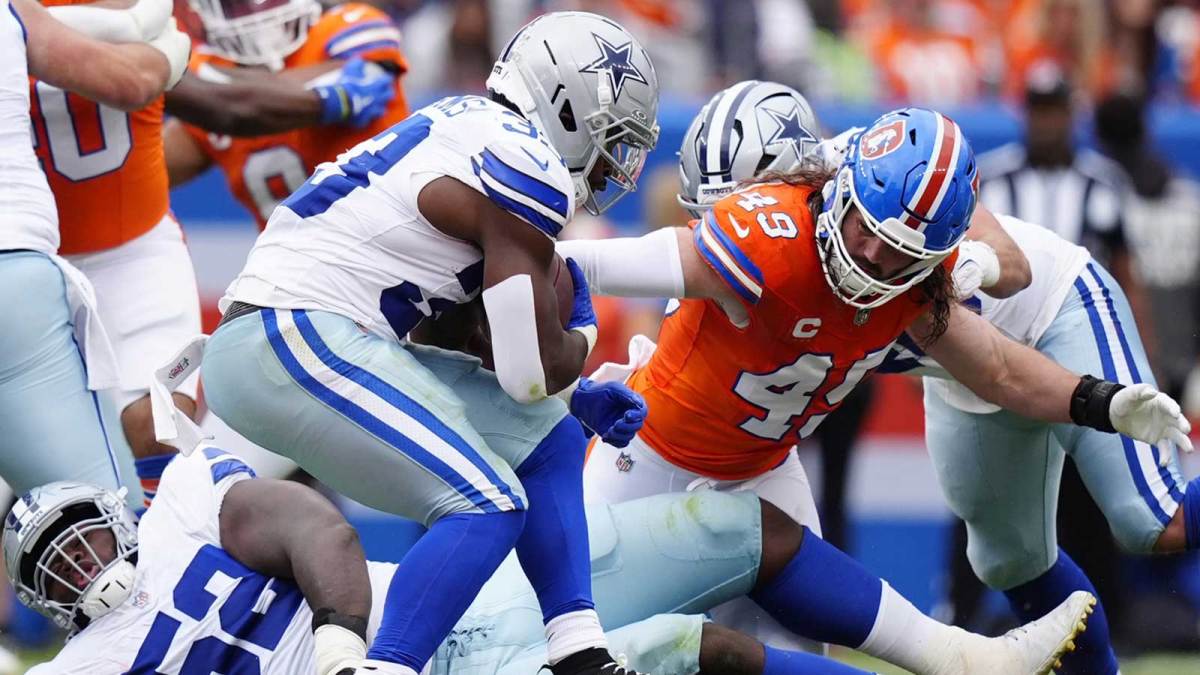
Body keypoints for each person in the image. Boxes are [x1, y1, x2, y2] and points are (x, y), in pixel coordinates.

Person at [560, 103, 1192, 669]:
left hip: (773, 458)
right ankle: (964, 659)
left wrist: (1098, 400)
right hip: (659, 458)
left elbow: (999, 364)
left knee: (1145, 523)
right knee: (593, 638)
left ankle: (966, 659)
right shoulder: (772, 234)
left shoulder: (915, 267)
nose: (869, 257)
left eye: (896, 251)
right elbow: (596, 264)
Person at [199, 11, 657, 675]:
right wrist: (583, 325)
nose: (616, 160)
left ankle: (577, 648)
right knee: (487, 500)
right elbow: (530, 369)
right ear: (563, 103)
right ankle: (389, 666)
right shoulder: (524, 162)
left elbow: (455, 339)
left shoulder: (469, 125)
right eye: (611, 136)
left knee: (545, 433)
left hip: (305, 333)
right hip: (290, 332)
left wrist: (574, 393)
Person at [8, 443, 1094, 675]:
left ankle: (962, 661)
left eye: (78, 538)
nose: (81, 568)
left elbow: (311, 527)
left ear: (117, 510)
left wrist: (344, 643)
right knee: (676, 651)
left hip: (414, 621)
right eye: (52, 569)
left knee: (730, 527)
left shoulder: (179, 511)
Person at [0, 0, 189, 503]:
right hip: (34, 259)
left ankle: (176, 570)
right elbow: (130, 75)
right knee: (46, 496)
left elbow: (212, 102)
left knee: (164, 431)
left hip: (131, 253)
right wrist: (173, 50)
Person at [164, 0, 411, 228]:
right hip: (290, 263)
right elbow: (149, 171)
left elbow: (364, 90)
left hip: (388, 239)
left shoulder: (346, 25)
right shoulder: (203, 73)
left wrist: (203, 89)